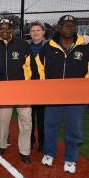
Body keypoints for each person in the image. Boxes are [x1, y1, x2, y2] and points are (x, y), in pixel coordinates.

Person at [36, 15, 89, 174]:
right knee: (50, 126)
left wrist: (85, 88)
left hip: (76, 97)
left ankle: (71, 158)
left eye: (73, 25)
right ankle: (49, 153)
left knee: (74, 128)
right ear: (58, 27)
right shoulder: (49, 46)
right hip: (53, 96)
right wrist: (45, 87)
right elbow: (39, 66)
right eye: (66, 25)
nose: (70, 27)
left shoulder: (86, 46)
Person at [0, 19, 33, 164]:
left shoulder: (22, 44)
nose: (4, 30)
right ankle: (1, 144)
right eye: (1, 28)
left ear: (12, 29)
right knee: (2, 119)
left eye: (7, 28)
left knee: (25, 120)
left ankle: (24, 151)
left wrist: (26, 84)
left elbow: (30, 66)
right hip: (1, 89)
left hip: (22, 88)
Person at [27, 21, 48, 152]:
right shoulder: (24, 45)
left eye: (38, 30)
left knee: (42, 117)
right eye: (33, 30)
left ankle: (42, 142)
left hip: (43, 87)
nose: (35, 33)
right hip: (28, 86)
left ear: (44, 32)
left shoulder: (51, 45)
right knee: (28, 117)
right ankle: (29, 141)